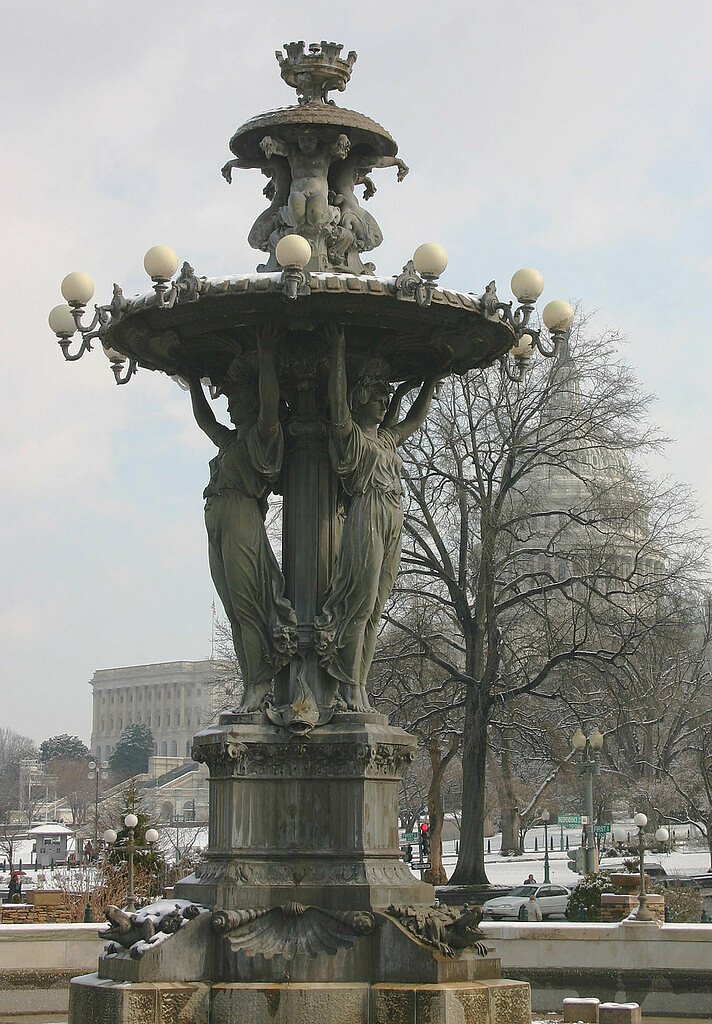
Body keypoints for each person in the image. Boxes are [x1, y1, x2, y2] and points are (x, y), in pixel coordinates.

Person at [315, 324, 440, 711]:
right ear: (359, 397)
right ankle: (347, 685)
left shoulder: (384, 439)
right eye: (378, 394)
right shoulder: (350, 436)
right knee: (359, 604)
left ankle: (359, 683)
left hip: (393, 516)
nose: (384, 402)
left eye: (387, 396)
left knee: (375, 608)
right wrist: (338, 352)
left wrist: (430, 380)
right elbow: (337, 404)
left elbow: (413, 420)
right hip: (367, 513)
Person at [188, 329, 297, 712]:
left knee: (248, 607)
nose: (230, 406)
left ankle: (260, 684)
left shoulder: (263, 436)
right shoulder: (232, 441)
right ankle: (252, 681)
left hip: (239, 520)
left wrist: (266, 356)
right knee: (234, 611)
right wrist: (191, 381)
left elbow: (269, 406)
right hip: (218, 521)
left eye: (237, 399)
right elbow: (205, 421)